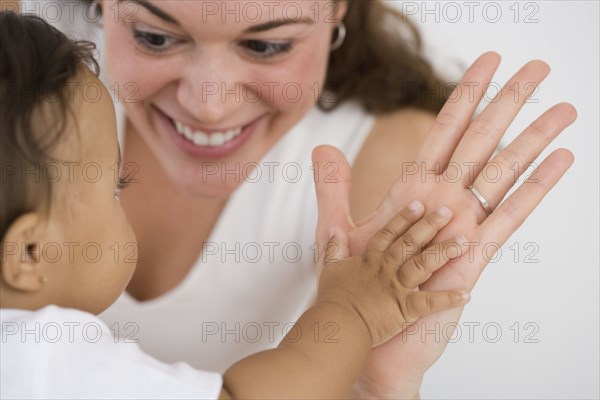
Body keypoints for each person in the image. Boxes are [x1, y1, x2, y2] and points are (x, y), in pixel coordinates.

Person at [10, 0, 577, 397]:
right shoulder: (28, 68)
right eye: (155, 37)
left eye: (266, 44)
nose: (208, 104)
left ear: (336, 15)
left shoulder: (396, 167)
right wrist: (353, 311)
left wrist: (374, 389)